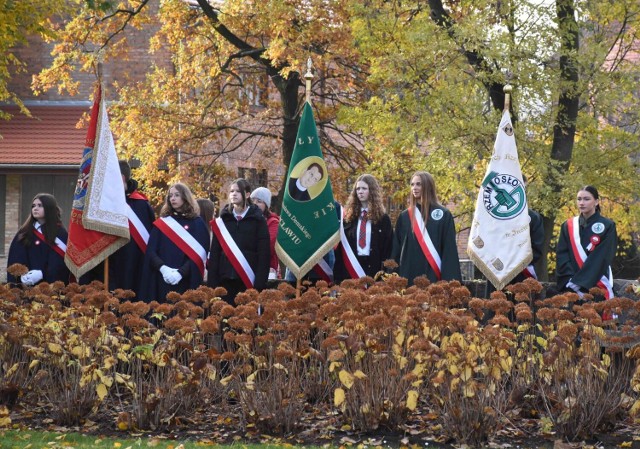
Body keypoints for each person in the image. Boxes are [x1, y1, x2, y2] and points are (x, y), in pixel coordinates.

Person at [138, 183, 210, 302]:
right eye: (170, 195)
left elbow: (200, 254)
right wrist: (163, 268)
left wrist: (181, 273)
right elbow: (151, 251)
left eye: (177, 195)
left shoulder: (197, 223)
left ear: (185, 197)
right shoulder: (162, 223)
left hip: (186, 279)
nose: (173, 198)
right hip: (162, 277)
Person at [391, 171, 461, 284]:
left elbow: (449, 251)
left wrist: (450, 283)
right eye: (412, 184)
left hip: (434, 278)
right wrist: (393, 276)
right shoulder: (404, 217)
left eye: (419, 184)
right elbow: (396, 250)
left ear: (428, 186)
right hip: (409, 277)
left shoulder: (443, 214)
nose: (414, 187)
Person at [208, 179, 270, 304]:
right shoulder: (223, 219)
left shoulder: (258, 219)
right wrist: (212, 282)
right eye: (231, 191)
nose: (233, 194)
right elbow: (215, 252)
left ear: (247, 194)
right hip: (224, 280)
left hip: (248, 279)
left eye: (237, 191)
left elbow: (264, 253)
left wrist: (259, 283)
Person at [556, 185, 617, 299]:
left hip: (597, 283)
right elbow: (562, 254)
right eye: (579, 199)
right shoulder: (568, 225)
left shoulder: (608, 225)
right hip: (571, 285)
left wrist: (580, 281)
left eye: (586, 199)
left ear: (596, 202)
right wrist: (570, 280)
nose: (582, 203)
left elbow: (602, 256)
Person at [108, 160, 155, 297]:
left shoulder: (141, 205)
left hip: (134, 264)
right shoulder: (106, 202)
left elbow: (149, 240)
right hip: (110, 263)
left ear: (121, 178)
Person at [334, 174, 393, 282]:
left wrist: (385, 274)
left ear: (372, 191)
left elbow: (387, 250)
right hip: (351, 268)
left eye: (364, 188)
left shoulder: (383, 219)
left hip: (374, 269)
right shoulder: (348, 218)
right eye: (358, 189)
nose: (360, 191)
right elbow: (340, 250)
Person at [7, 193, 70, 285]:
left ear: (49, 208)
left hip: (49, 289)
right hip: (25, 286)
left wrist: (42, 274)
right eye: (33, 206)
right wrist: (20, 277)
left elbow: (59, 263)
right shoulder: (24, 231)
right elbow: (16, 257)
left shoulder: (60, 233)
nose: (35, 208)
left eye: (40, 206)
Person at [250, 187, 280, 280]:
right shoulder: (245, 220)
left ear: (266, 205)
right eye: (252, 200)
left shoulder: (273, 222)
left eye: (259, 201)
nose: (254, 203)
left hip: (266, 269)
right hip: (247, 268)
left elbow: (267, 247)